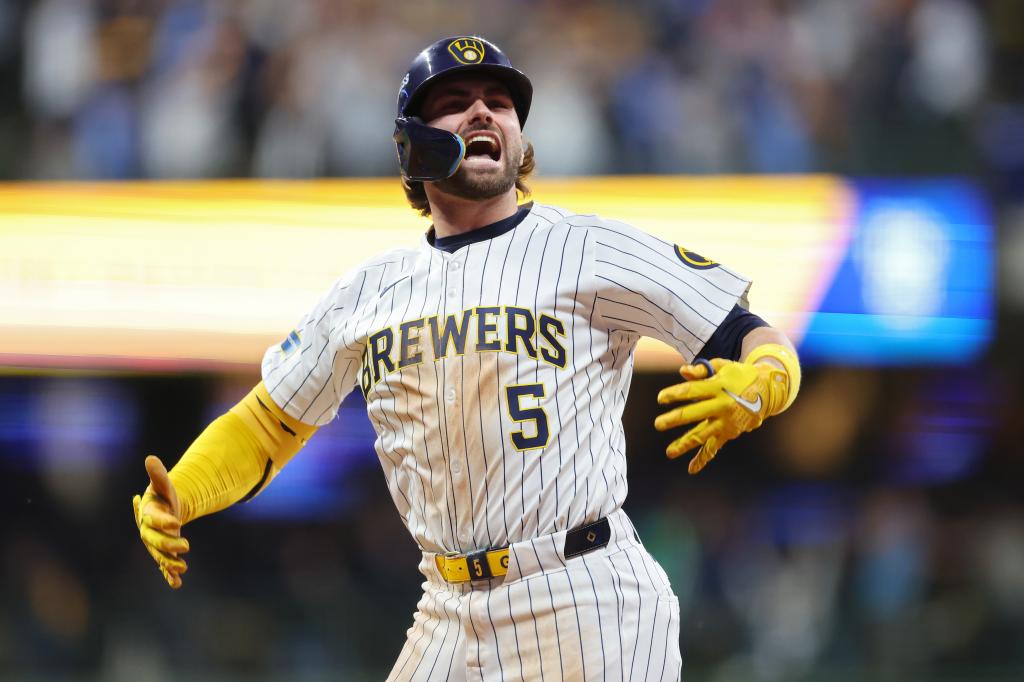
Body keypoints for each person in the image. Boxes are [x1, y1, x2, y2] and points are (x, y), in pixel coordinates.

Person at [132, 35, 801, 681]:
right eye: (454, 100)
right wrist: (182, 493)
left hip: (583, 594)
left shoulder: (588, 248)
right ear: (410, 145)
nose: (484, 110)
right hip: (447, 608)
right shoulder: (368, 290)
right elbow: (266, 423)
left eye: (500, 101)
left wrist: (766, 381)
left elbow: (746, 331)